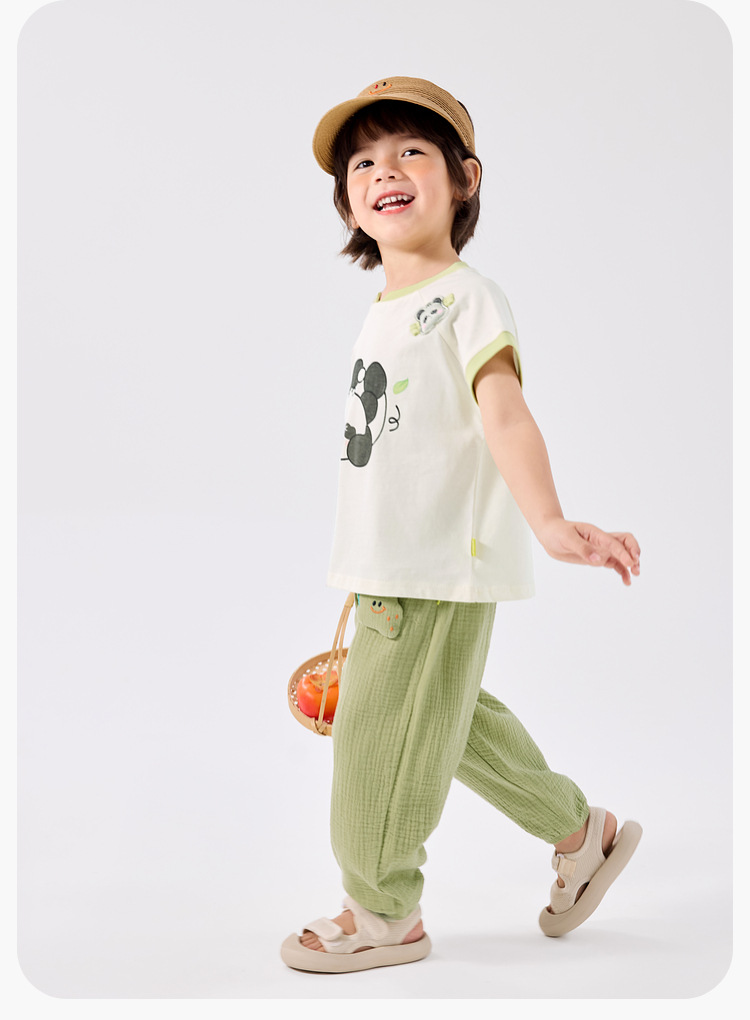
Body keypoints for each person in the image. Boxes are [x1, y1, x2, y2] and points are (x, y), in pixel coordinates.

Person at [281, 77, 642, 974]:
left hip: (437, 559)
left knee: (379, 738)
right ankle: (582, 833)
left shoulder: (467, 297)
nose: (385, 171)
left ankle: (381, 909)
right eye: (363, 163)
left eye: (411, 151)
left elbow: (503, 410)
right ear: (349, 205)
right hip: (391, 561)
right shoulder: (386, 308)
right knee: (441, 716)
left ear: (464, 180)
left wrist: (548, 519)